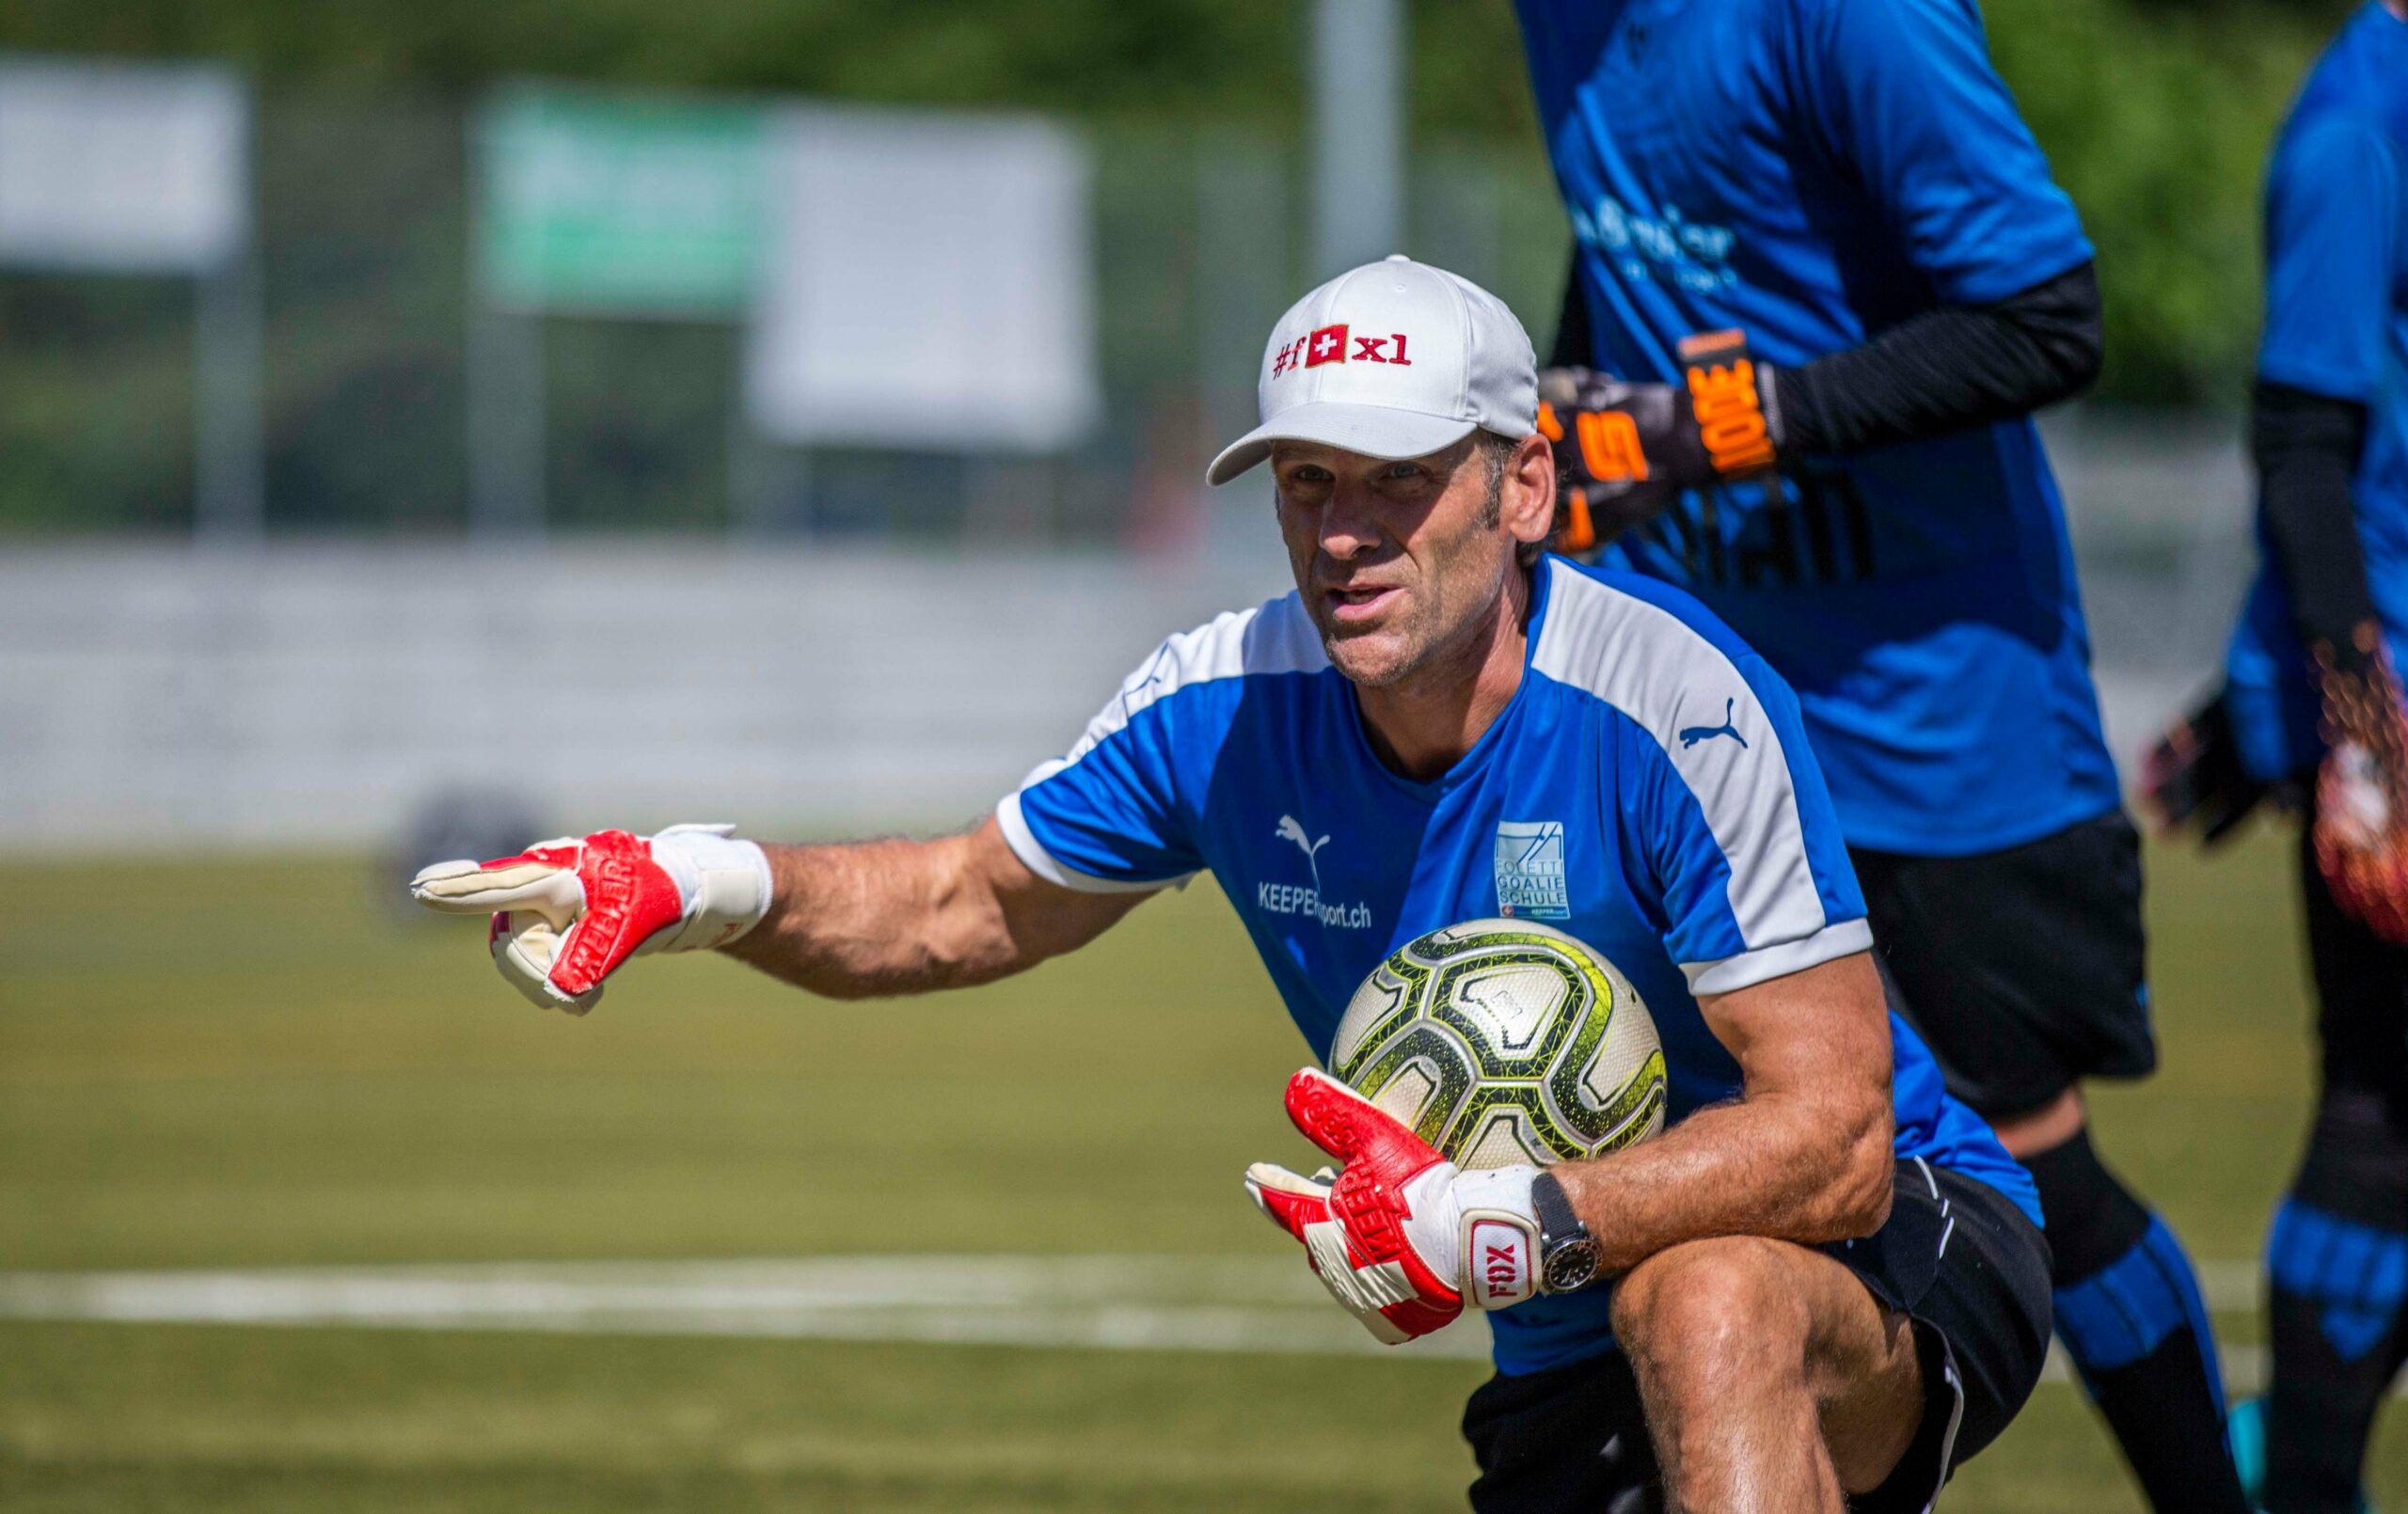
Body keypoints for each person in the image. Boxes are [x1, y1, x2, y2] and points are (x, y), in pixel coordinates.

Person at [412, 258, 2052, 1513]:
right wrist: (704, 879)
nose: (1346, 533)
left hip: (1900, 1237)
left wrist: (1511, 1222)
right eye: (1309, 483)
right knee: (1673, 1325)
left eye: (1400, 477)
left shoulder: (1677, 706)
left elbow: (1836, 1137)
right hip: (1565, 1317)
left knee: (1708, 1307)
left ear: (1527, 488)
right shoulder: (1223, 701)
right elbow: (954, 903)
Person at [1510, 0, 2247, 1507]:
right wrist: (1571, 396)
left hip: (1942, 715)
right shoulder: (1559, 21)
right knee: (1718, 1160)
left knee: (2037, 1161)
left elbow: (2049, 313)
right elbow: (1633, 236)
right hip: (1711, 704)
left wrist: (1707, 429)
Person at [2148, 6, 2408, 1509]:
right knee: (2379, 1114)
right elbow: (2307, 450)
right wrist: (2356, 740)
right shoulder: (2358, 128)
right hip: (2392, 713)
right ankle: (2302, 1478)